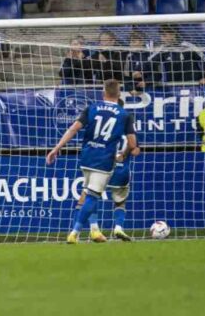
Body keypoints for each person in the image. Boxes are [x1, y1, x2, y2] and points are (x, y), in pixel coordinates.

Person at [46, 79, 137, 244]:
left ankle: (94, 230)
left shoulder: (92, 108)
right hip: (104, 161)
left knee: (88, 192)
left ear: (104, 92)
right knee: (92, 196)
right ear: (118, 94)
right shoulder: (125, 115)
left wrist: (56, 148)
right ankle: (74, 232)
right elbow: (132, 144)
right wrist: (123, 154)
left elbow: (74, 128)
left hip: (86, 157)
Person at [78, 99, 140, 242]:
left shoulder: (109, 126)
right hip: (121, 171)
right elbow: (136, 149)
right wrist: (124, 154)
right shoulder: (128, 126)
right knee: (120, 202)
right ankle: (118, 228)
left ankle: (93, 229)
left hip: (103, 166)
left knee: (89, 196)